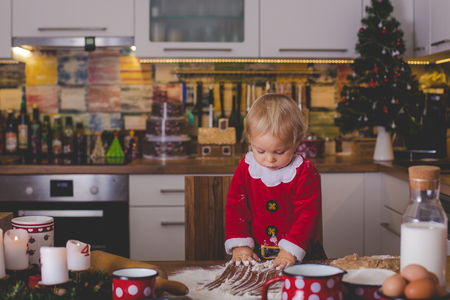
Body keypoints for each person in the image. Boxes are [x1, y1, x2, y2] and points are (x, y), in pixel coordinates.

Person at [225, 93, 327, 269]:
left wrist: (290, 250)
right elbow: (236, 208)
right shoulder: (247, 168)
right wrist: (240, 245)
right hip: (254, 255)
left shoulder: (305, 172)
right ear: (250, 140)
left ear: (297, 140)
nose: (269, 159)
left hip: (301, 255)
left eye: (279, 152)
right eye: (260, 151)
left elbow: (307, 214)